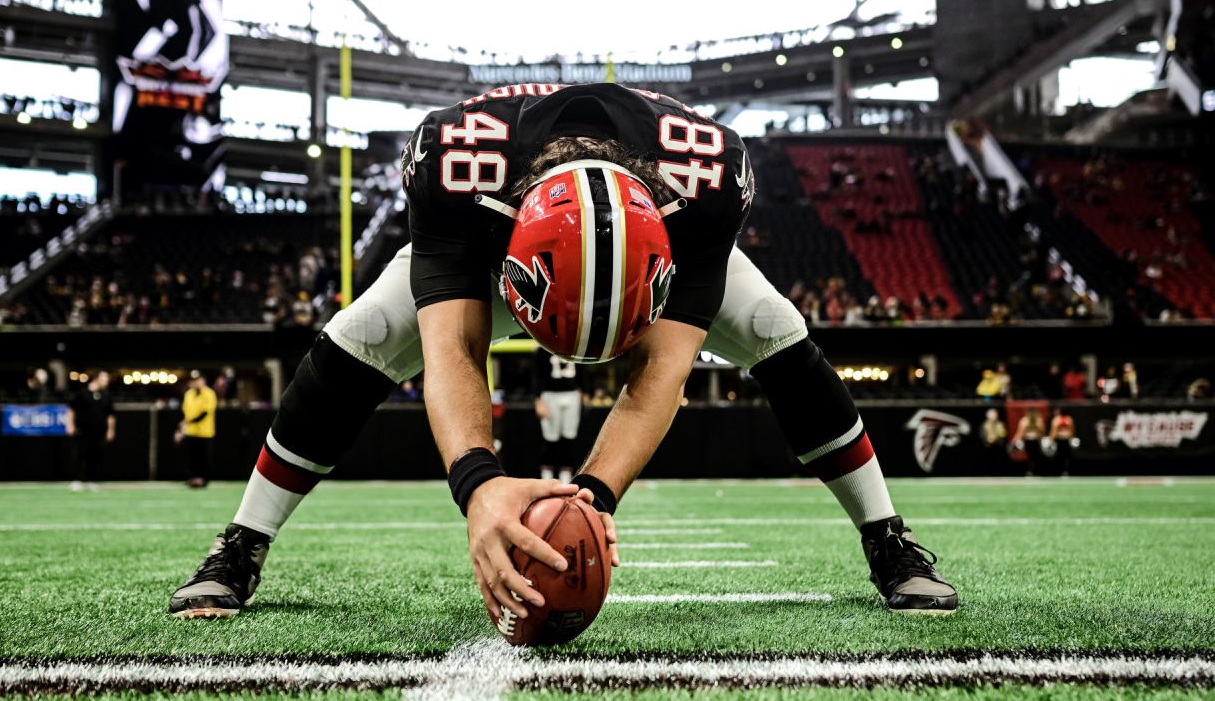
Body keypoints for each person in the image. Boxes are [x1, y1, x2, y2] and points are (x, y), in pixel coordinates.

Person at [169, 83, 957, 620]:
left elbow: (662, 369)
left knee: (778, 334)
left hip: (653, 242)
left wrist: (592, 501)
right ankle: (241, 541)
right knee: (362, 339)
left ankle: (886, 535)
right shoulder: (456, 164)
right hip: (492, 240)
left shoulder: (708, 179)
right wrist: (478, 487)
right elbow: (456, 348)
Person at [533, 347, 583, 483]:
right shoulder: (542, 351)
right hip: (550, 395)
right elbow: (538, 375)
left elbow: (581, 372)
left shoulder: (576, 347)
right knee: (550, 439)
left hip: (572, 394)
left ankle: (566, 479)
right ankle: (547, 479)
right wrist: (538, 400)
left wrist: (584, 392)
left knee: (569, 438)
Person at [66, 370, 115, 491]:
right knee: (79, 454)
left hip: (98, 431)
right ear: (97, 378)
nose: (106, 381)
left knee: (95, 456)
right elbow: (71, 410)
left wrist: (110, 430)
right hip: (82, 430)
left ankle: (90, 480)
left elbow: (111, 415)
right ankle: (76, 480)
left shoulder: (106, 395)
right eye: (104, 378)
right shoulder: (82, 393)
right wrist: (70, 425)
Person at [177, 370, 218, 488]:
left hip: (205, 432)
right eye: (193, 381)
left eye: (198, 380)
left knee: (204, 457)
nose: (196, 383)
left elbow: (205, 413)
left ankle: (204, 480)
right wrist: (181, 429)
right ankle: (193, 478)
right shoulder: (188, 394)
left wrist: (188, 422)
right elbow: (185, 414)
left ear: (203, 381)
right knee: (192, 457)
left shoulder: (209, 394)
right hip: (191, 432)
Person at [1013, 407, 1046, 477]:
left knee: (1035, 456)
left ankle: (1034, 471)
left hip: (1036, 441)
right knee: (1029, 456)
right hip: (1028, 441)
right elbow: (1020, 432)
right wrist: (1015, 440)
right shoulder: (1025, 420)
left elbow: (1042, 431)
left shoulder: (1038, 420)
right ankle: (1029, 471)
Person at [1047, 407, 1076, 477]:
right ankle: (1064, 471)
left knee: (1060, 456)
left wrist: (1050, 439)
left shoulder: (1056, 420)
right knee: (1065, 456)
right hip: (1064, 439)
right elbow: (1072, 431)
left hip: (1060, 440)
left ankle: (1061, 471)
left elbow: (1054, 431)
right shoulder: (1069, 419)